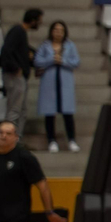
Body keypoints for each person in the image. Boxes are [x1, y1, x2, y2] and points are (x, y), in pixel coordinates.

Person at [32, 21, 79, 152]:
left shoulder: (70, 45)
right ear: (51, 31)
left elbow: (76, 62)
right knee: (49, 113)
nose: (58, 32)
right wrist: (52, 59)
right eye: (56, 30)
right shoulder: (45, 45)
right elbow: (37, 61)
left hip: (65, 83)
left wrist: (62, 61)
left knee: (68, 114)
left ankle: (71, 140)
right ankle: (51, 140)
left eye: (61, 30)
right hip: (49, 83)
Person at [0, 8, 41, 128]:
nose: (39, 24)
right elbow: (6, 50)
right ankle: (8, 140)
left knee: (21, 110)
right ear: (33, 20)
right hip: (14, 76)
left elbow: (21, 51)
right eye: (38, 20)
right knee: (14, 109)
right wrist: (16, 68)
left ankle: (16, 139)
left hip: (18, 76)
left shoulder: (21, 32)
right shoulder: (18, 31)